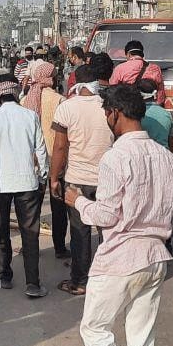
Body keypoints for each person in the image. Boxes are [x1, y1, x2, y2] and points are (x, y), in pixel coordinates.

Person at [67, 84, 173, 346]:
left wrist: (77, 200)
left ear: (115, 113)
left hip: (121, 256)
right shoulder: (169, 159)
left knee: (94, 328)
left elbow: (105, 216)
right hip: (155, 257)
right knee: (141, 337)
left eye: (106, 113)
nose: (106, 119)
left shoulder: (115, 157)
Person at [0, 74, 50, 298]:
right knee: (30, 234)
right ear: (17, 92)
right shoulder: (30, 116)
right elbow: (41, 148)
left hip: (1, 183)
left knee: (0, 231)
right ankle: (33, 284)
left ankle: (3, 276)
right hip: (27, 182)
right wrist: (43, 176)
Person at [50, 65, 115, 296]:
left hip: (76, 179)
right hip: (107, 178)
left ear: (76, 82)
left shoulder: (66, 107)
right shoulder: (108, 106)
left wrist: (54, 178)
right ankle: (109, 277)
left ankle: (80, 280)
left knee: (80, 231)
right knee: (107, 229)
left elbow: (59, 146)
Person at [25, 60, 69, 257]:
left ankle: (30, 247)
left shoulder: (26, 99)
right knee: (58, 209)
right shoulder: (59, 100)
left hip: (33, 162)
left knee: (32, 210)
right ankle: (59, 248)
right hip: (56, 161)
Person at [110, 40, 165, 105]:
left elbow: (112, 90)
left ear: (129, 54)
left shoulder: (119, 68)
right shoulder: (155, 68)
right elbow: (160, 92)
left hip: (128, 108)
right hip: (149, 106)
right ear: (142, 54)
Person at [136, 79, 173, 149]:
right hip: (163, 156)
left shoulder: (135, 115)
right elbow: (171, 142)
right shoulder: (167, 114)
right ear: (156, 94)